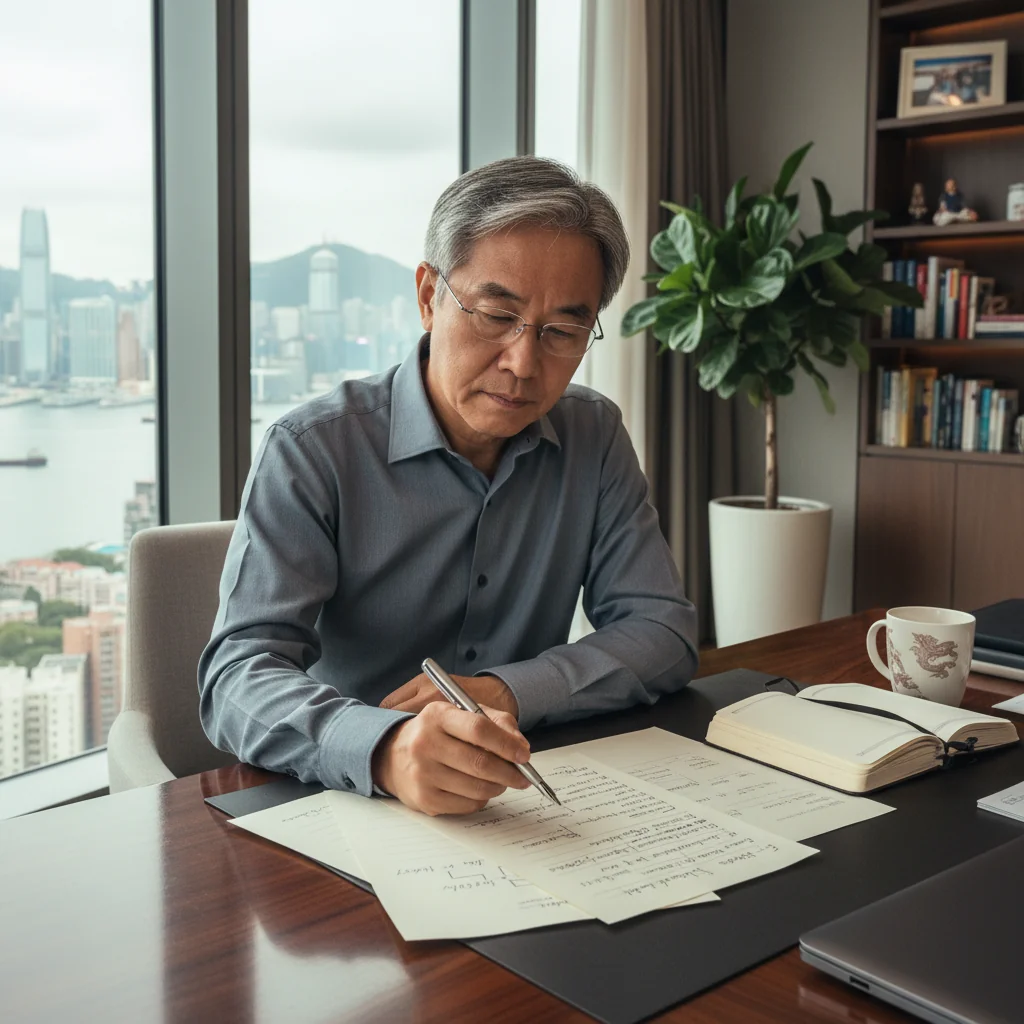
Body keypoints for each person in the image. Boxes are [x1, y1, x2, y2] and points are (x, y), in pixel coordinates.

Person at [198, 156, 698, 816]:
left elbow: (662, 631)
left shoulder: (593, 435)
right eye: (497, 314)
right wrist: (387, 748)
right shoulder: (314, 448)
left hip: (523, 797)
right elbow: (236, 678)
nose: (522, 363)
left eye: (563, 331)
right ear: (429, 296)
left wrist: (508, 692)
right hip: (345, 801)